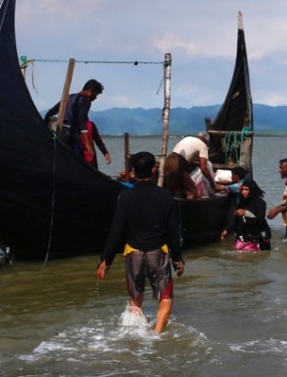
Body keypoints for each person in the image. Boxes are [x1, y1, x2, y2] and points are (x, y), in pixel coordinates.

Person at [96, 151, 185, 334]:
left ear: (134, 172)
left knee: (135, 299)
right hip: (158, 253)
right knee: (166, 296)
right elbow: (173, 231)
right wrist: (177, 258)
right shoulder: (166, 196)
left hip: (133, 254)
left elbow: (116, 230)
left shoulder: (125, 197)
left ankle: (135, 335)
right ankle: (156, 333)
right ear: (153, 170)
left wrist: (106, 259)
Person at [43, 78, 104, 160]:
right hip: (73, 137)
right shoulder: (86, 100)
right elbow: (82, 120)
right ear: (90, 91)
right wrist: (87, 144)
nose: (95, 98)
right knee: (77, 161)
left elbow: (50, 113)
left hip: (61, 134)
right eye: (95, 94)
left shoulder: (68, 97)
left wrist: (44, 129)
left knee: (62, 159)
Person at [221, 180, 271, 252]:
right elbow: (236, 221)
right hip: (242, 237)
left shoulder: (260, 203)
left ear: (252, 190)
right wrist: (227, 230)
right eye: (242, 189)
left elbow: (260, 220)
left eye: (246, 189)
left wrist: (246, 213)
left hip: (256, 237)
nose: (243, 192)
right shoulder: (241, 203)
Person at [172, 132, 216, 197]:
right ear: (206, 142)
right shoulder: (203, 145)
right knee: (192, 191)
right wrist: (212, 183)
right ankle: (190, 206)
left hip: (168, 161)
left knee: (175, 190)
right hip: (178, 165)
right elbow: (203, 167)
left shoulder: (188, 138)